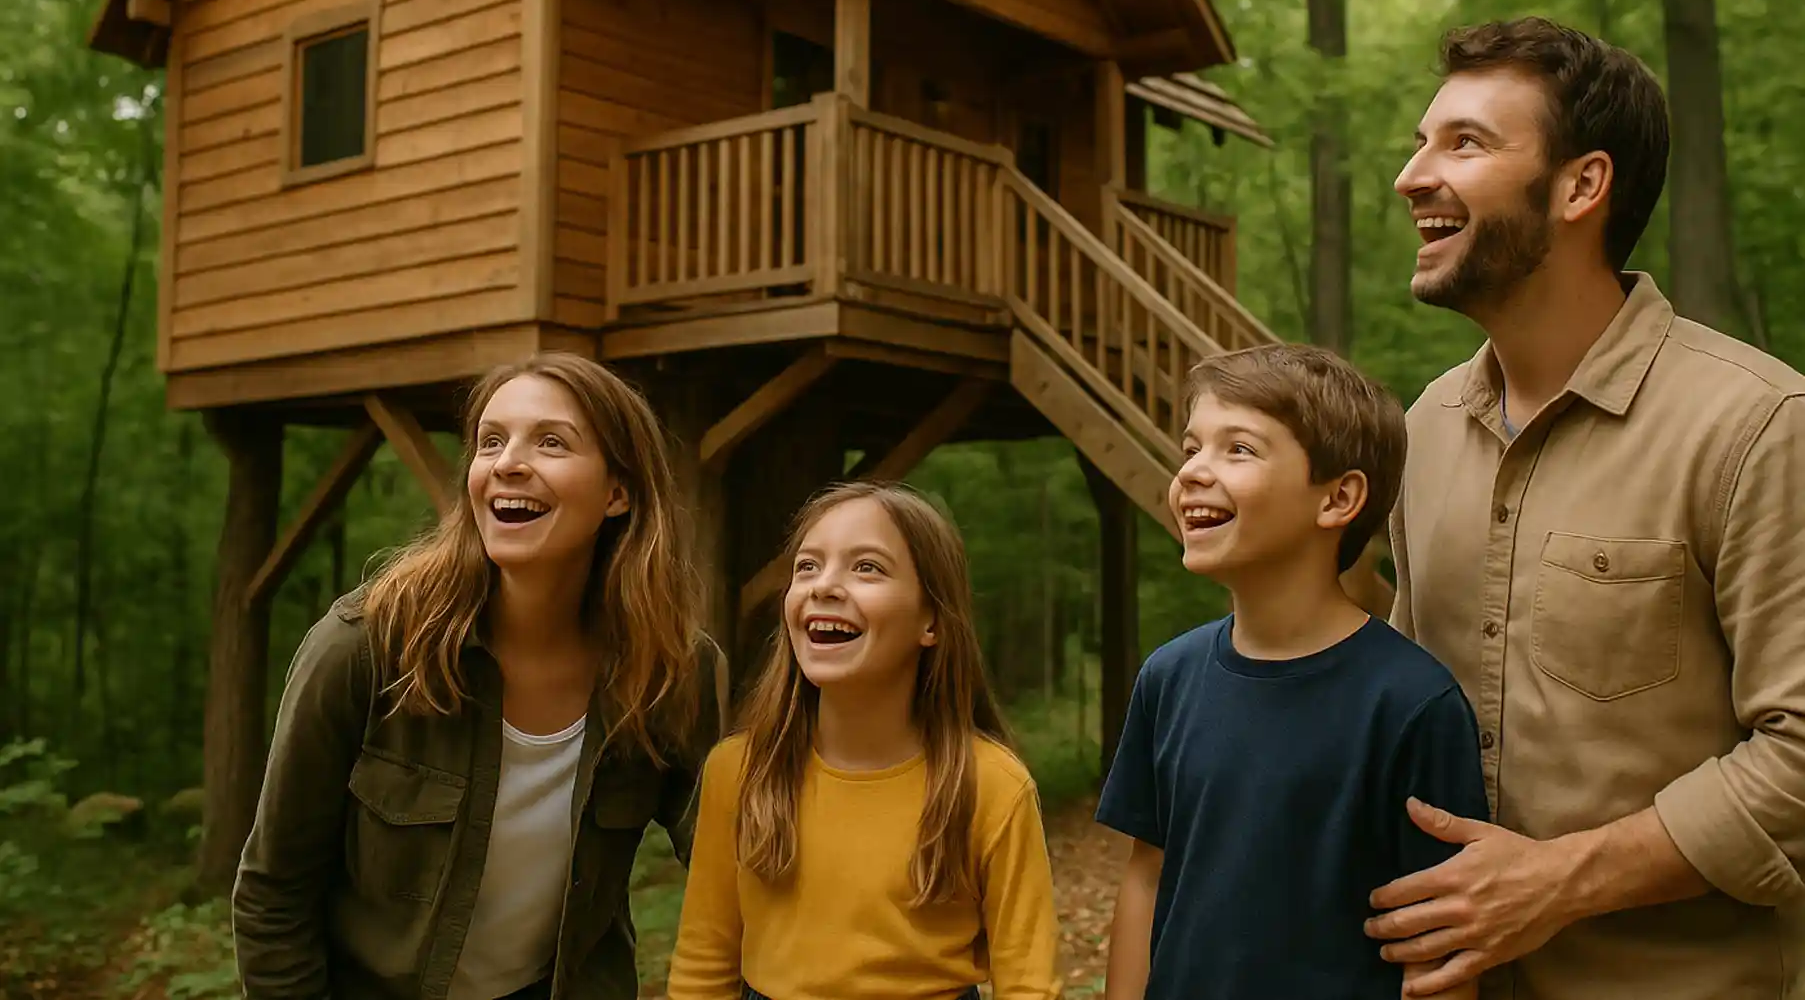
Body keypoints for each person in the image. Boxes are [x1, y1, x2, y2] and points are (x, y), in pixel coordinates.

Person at [1371, 17, 1805, 1000]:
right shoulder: (1424, 429)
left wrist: (1553, 883)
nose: (1411, 176)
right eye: (1418, 141)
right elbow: (1395, 710)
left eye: (1464, 142)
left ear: (1580, 185)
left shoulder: (1758, 424)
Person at [232, 352, 726, 1000]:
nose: (507, 462)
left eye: (551, 441)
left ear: (617, 491)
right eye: (490, 441)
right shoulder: (363, 648)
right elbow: (273, 894)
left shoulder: (674, 670)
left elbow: (737, 871)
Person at [1097, 343, 1490, 1000]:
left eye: (1238, 449)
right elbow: (1146, 876)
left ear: (1337, 498)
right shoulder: (1167, 677)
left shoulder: (1410, 702)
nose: (1193, 469)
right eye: (1191, 446)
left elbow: (1442, 942)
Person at [664, 480, 1061, 1000]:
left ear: (932, 621)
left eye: (867, 567)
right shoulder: (737, 771)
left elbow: (1029, 985)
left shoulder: (992, 785)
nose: (823, 586)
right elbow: (703, 966)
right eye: (807, 566)